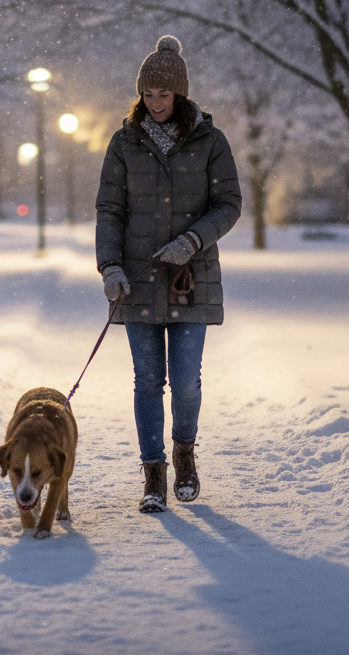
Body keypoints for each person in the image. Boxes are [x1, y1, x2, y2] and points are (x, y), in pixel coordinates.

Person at [95, 35, 242, 513]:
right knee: (145, 381)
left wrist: (193, 240)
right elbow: (109, 211)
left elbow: (229, 204)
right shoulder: (123, 143)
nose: (155, 103)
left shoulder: (209, 141)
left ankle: (185, 454)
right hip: (136, 280)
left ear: (179, 94)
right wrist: (110, 267)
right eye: (148, 94)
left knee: (186, 381)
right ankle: (153, 473)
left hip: (190, 279)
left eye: (164, 94)